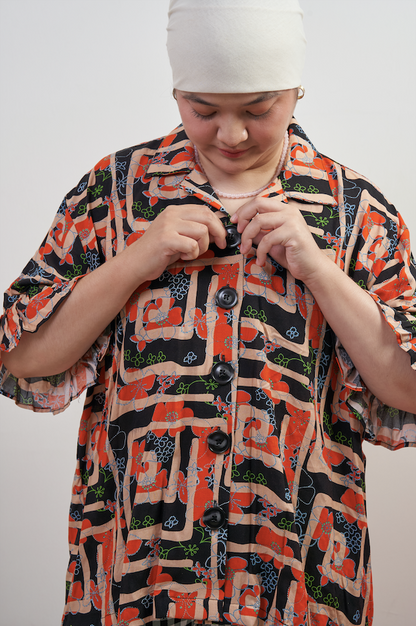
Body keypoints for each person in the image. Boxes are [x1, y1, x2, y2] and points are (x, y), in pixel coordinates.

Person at [0, 0, 415, 625]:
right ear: (176, 90)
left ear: (296, 89)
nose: (231, 134)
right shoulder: (114, 193)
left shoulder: (354, 209)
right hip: (138, 573)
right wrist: (135, 261)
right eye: (203, 109)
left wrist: (320, 271)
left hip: (295, 574)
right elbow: (22, 356)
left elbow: (408, 389)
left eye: (257, 108)